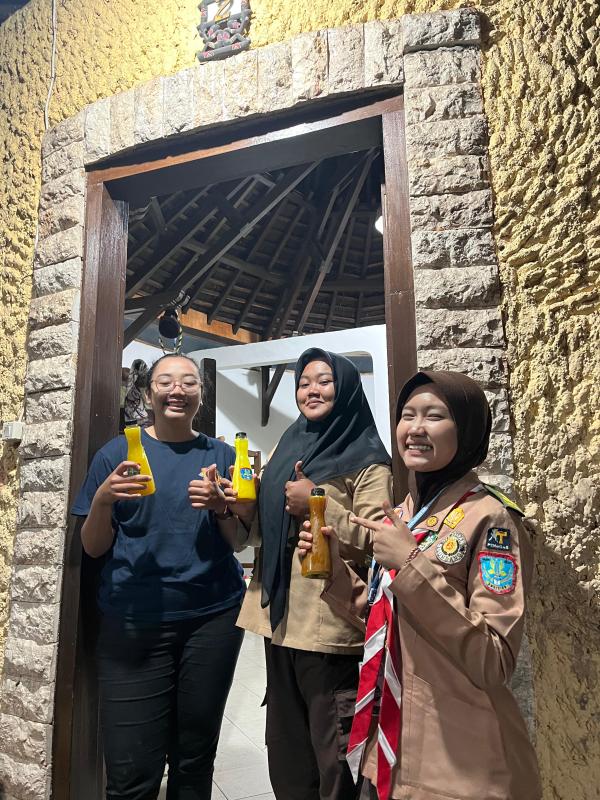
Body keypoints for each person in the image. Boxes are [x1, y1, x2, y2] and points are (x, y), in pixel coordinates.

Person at [299, 369, 542, 800]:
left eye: (434, 416)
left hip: (459, 764)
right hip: (388, 750)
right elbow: (386, 625)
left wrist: (411, 565)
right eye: (407, 415)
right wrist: (335, 571)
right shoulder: (405, 514)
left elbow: (494, 659)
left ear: (466, 430)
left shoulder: (491, 520)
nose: (415, 428)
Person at [72, 353, 253, 800]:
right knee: (131, 772)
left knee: (194, 758)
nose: (177, 390)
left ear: (201, 394)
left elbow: (237, 543)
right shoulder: (117, 454)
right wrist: (103, 500)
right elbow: (93, 547)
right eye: (166, 381)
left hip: (212, 620)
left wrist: (221, 507)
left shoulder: (221, 455)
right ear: (148, 392)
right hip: (133, 623)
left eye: (189, 382)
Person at [236, 348, 393, 800]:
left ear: (345, 389)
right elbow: (263, 529)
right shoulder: (288, 446)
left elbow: (377, 540)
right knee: (287, 751)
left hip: (329, 625)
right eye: (303, 382)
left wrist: (317, 500)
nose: (312, 390)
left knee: (334, 756)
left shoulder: (368, 459)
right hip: (279, 621)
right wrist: (239, 504)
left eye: (324, 381)